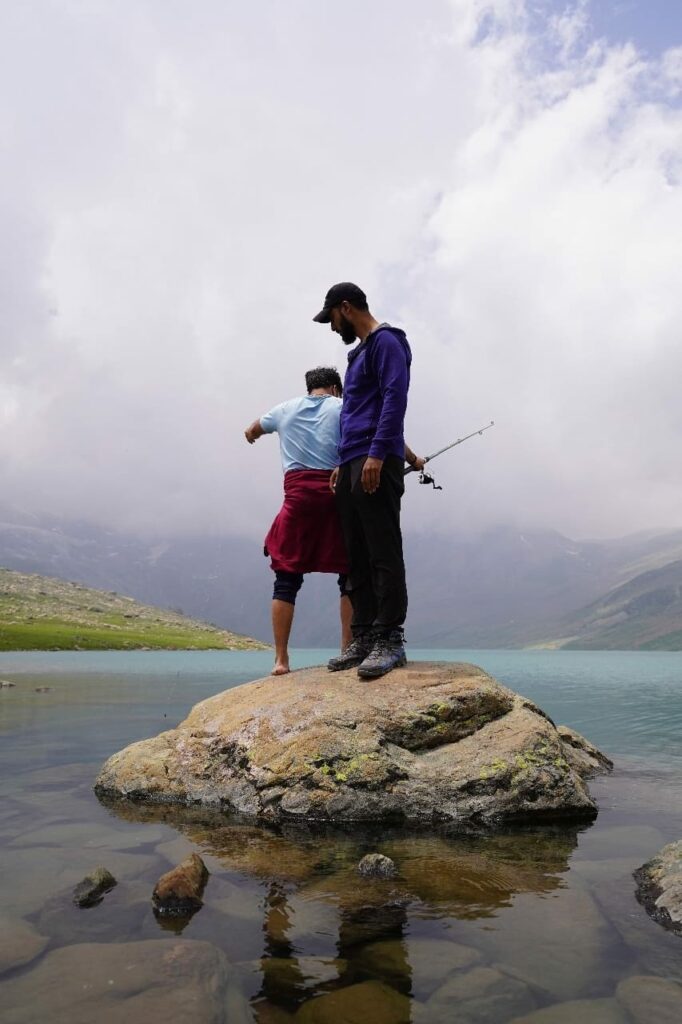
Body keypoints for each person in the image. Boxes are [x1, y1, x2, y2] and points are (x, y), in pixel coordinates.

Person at [313, 283, 423, 679]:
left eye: (332, 318)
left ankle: (389, 638)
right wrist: (346, 460)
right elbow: (354, 411)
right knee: (355, 553)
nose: (331, 327)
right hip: (353, 461)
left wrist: (378, 452)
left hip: (378, 457)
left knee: (382, 548)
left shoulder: (387, 343)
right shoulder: (356, 354)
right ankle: (362, 636)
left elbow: (395, 398)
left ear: (346, 307)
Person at [244, 367, 351, 675]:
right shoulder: (343, 406)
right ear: (334, 388)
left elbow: (251, 429)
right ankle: (346, 650)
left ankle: (281, 659)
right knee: (349, 575)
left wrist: (252, 436)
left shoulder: (285, 409)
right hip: (335, 499)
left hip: (298, 501)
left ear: (310, 388)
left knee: (286, 580)